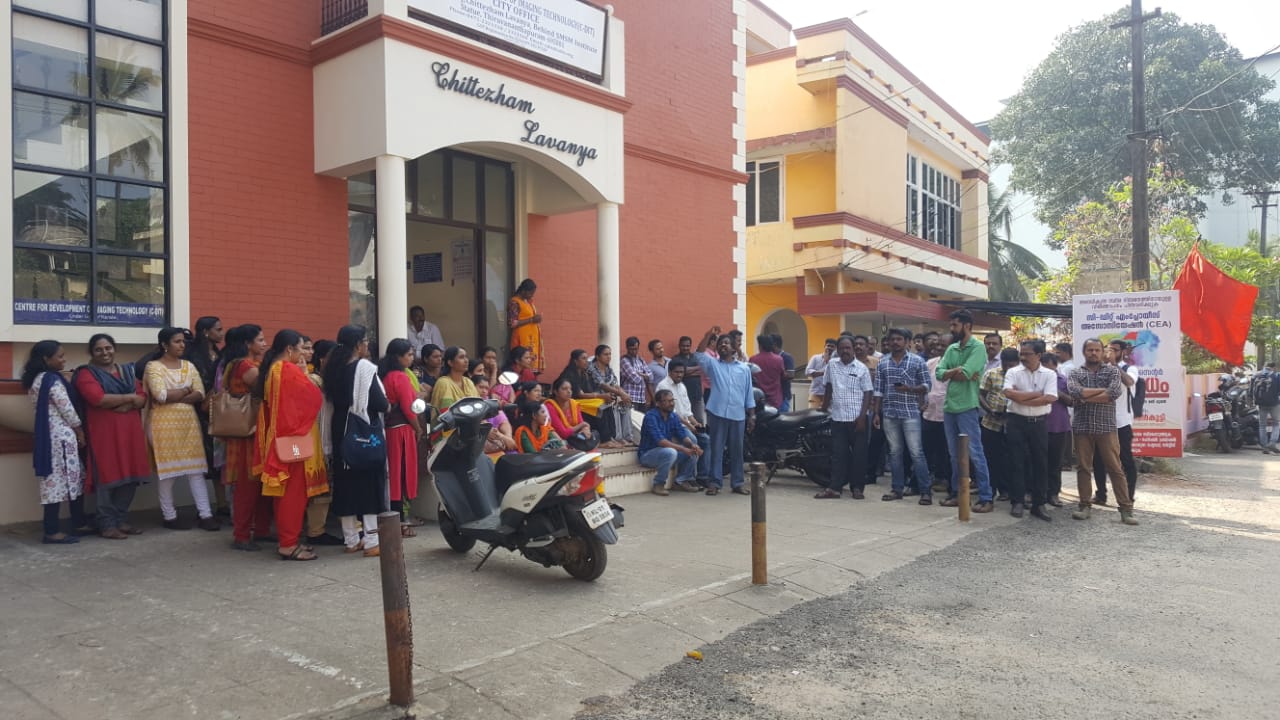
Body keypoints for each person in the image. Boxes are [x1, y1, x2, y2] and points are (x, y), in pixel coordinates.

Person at [253, 330, 326, 560]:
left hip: (281, 437)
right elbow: (312, 397)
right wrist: (305, 374)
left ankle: (289, 539)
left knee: (285, 493)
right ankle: (288, 544)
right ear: (289, 349)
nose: (303, 353)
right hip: (292, 439)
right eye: (300, 348)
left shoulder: (274, 368)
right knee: (293, 494)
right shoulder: (287, 369)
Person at [72, 335, 149, 539]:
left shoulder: (126, 372)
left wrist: (126, 402)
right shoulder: (86, 374)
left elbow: (142, 398)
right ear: (91, 353)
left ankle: (120, 520)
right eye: (99, 349)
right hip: (103, 434)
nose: (105, 353)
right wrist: (128, 398)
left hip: (130, 432)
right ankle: (106, 524)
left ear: (114, 349)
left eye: (108, 348)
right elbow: (98, 399)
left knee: (130, 475)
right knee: (107, 475)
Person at [143, 328, 220, 531]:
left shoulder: (188, 365)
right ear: (164, 345)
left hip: (188, 425)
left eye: (183, 341)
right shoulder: (153, 367)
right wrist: (187, 390)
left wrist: (175, 396)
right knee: (168, 473)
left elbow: (200, 393)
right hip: (162, 426)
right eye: (177, 341)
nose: (182, 345)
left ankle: (205, 515)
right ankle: (169, 516)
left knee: (196, 471)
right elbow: (160, 395)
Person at [324, 326, 390, 557]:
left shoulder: (332, 368)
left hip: (340, 430)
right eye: (365, 341)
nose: (367, 345)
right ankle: (371, 541)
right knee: (369, 483)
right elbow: (379, 402)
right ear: (357, 345)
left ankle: (351, 539)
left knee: (345, 484)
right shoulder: (364, 368)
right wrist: (388, 405)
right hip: (362, 430)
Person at [1066, 339, 1138, 525]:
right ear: (1084, 352)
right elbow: (1074, 392)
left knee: (1115, 467)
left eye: (1097, 350)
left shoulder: (1112, 371)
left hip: (1106, 427)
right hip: (1082, 427)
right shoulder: (1075, 372)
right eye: (1090, 350)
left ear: (1102, 352)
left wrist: (1085, 396)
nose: (1093, 353)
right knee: (1083, 467)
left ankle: (1126, 509)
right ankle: (1084, 505)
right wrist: (1100, 393)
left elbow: (1113, 393)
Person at [23, 341, 87, 544]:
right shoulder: (52, 380)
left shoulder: (36, 379)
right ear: (46, 359)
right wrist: (79, 430)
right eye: (60, 356)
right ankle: (53, 531)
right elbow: (66, 408)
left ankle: (74, 523)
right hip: (60, 439)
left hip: (47, 437)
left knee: (56, 481)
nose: (64, 360)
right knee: (60, 483)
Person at [220, 324, 274, 550]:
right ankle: (241, 535)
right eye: (260, 340)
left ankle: (261, 530)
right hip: (247, 434)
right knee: (247, 487)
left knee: (261, 484)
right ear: (247, 344)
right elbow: (267, 387)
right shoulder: (245, 366)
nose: (264, 344)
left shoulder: (249, 364)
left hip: (256, 431)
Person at [935, 310, 994, 512]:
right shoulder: (952, 348)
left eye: (955, 325)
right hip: (949, 407)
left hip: (968, 407)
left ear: (967, 325)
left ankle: (986, 497)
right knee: (954, 455)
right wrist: (956, 371)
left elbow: (966, 374)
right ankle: (958, 495)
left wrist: (955, 372)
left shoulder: (978, 347)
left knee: (975, 453)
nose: (951, 329)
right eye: (951, 325)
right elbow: (939, 374)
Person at [872, 329, 933, 504]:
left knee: (916, 452)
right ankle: (896, 489)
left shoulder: (917, 361)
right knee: (894, 453)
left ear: (907, 342)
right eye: (892, 339)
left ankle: (925, 491)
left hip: (910, 412)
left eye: (899, 339)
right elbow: (878, 390)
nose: (895, 342)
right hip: (889, 413)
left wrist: (910, 389)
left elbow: (927, 385)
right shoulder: (883, 362)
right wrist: (876, 413)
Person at [695, 326, 756, 496]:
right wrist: (708, 334)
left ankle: (738, 483)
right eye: (720, 343)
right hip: (717, 413)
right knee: (717, 448)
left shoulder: (744, 369)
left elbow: (748, 393)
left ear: (733, 348)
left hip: (738, 414)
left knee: (737, 450)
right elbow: (698, 354)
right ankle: (715, 483)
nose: (723, 345)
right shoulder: (713, 365)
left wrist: (752, 415)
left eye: (727, 343)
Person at [1002, 340, 1057, 521]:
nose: (1023, 357)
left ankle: (1038, 504)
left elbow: (1049, 398)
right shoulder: (1013, 372)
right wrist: (1037, 394)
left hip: (1039, 423)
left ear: (1039, 355)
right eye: (1022, 353)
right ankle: (1017, 501)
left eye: (1027, 354)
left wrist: (1021, 397)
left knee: (1040, 462)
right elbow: (1008, 393)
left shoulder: (1049, 374)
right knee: (1016, 461)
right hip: (1016, 421)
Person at [185, 316, 228, 516]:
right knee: (203, 460)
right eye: (217, 329)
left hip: (217, 412)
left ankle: (222, 504)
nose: (221, 333)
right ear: (205, 332)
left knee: (218, 458)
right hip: (197, 412)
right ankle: (204, 508)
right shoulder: (193, 355)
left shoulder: (218, 354)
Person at [380, 339, 424, 537]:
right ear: (399, 357)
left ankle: (396, 520)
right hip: (402, 431)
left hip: (389, 430)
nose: (412, 358)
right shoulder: (400, 377)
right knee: (401, 475)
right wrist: (418, 428)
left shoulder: (385, 375)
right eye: (409, 354)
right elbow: (408, 407)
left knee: (394, 475)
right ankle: (401, 522)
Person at [1091, 339, 1140, 504]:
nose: (1110, 352)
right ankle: (1101, 494)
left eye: (1115, 350)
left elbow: (1129, 382)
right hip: (1101, 422)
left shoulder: (1129, 368)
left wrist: (1114, 365)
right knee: (1098, 460)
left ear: (1123, 352)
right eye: (1109, 349)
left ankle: (1128, 496)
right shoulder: (1100, 369)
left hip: (1121, 423)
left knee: (1126, 460)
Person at [656, 360, 712, 483]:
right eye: (677, 372)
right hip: (672, 425)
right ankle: (686, 477)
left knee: (706, 440)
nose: (680, 375)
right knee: (693, 440)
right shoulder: (663, 386)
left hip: (686, 424)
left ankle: (703, 476)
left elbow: (687, 411)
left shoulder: (682, 386)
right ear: (670, 372)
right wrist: (689, 425)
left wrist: (695, 423)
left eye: (682, 372)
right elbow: (672, 413)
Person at [639, 389, 702, 495]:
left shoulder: (673, 416)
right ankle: (658, 484)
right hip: (648, 454)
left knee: (692, 452)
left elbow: (682, 435)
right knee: (671, 452)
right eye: (667, 401)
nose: (671, 403)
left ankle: (681, 481)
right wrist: (683, 449)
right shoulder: (650, 417)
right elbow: (661, 442)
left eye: (672, 400)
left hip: (665, 452)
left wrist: (692, 445)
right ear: (658, 403)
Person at [980, 348, 1018, 503]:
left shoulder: (1020, 375)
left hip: (1013, 423)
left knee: (1010, 459)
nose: (1008, 368)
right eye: (1005, 364)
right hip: (991, 422)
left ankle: (1007, 490)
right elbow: (980, 394)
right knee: (991, 458)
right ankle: (990, 489)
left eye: (1011, 365)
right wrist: (989, 409)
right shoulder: (991, 373)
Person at [1041, 353, 1071, 507]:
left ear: (1055, 366)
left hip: (1058, 426)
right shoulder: (1036, 379)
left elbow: (1072, 401)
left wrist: (1056, 392)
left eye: (1050, 369)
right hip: (1038, 426)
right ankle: (1037, 493)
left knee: (1055, 462)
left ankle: (1053, 493)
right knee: (1038, 461)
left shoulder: (1063, 380)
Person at [922, 335, 951, 493]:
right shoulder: (930, 363)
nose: (939, 348)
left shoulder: (956, 365)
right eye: (938, 345)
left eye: (943, 345)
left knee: (945, 450)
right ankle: (928, 478)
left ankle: (944, 479)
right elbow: (924, 385)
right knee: (927, 448)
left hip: (948, 414)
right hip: (929, 413)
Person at [588, 345, 635, 444]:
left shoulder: (608, 369)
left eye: (610, 354)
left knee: (626, 404)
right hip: (597, 398)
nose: (609, 357)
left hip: (610, 396)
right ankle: (617, 437)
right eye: (605, 354)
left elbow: (615, 384)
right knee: (614, 403)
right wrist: (620, 394)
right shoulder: (592, 368)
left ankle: (627, 437)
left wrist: (624, 395)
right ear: (597, 356)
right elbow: (602, 385)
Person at [546, 377, 598, 451]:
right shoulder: (550, 406)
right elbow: (563, 433)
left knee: (591, 437)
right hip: (560, 440)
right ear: (555, 392)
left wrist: (586, 429)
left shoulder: (573, 404)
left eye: (570, 389)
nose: (569, 391)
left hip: (574, 437)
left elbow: (581, 423)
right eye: (564, 389)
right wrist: (583, 425)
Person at [473, 374, 519, 453]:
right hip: (481, 443)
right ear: (472, 387)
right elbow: (485, 426)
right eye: (481, 387)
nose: (484, 391)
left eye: (486, 388)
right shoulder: (471, 404)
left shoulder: (490, 402)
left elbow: (504, 422)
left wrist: (508, 437)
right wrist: (503, 438)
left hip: (497, 440)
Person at [508, 278, 544, 374]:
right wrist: (531, 320)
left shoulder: (528, 302)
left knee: (532, 368)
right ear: (523, 291)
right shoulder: (514, 302)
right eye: (530, 293)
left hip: (531, 339)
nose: (532, 295)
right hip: (521, 338)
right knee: (523, 366)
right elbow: (512, 323)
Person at [431, 347, 479, 412]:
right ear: (450, 362)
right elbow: (446, 412)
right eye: (461, 357)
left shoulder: (468, 382)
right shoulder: (443, 383)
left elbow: (478, 405)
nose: (466, 360)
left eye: (466, 357)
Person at [673, 336, 707, 424]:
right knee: (686, 421)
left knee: (699, 420)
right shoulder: (675, 359)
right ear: (679, 346)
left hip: (697, 395)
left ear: (690, 346)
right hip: (683, 396)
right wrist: (696, 368)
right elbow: (682, 372)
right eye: (683, 346)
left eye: (687, 346)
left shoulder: (695, 357)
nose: (685, 348)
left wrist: (687, 371)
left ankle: (699, 433)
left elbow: (702, 370)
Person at [749, 334, 787, 410]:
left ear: (760, 346)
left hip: (759, 399)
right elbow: (783, 375)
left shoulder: (753, 359)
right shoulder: (778, 359)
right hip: (775, 399)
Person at [620, 336, 654, 411]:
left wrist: (638, 373)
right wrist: (644, 375)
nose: (634, 351)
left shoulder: (641, 360)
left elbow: (651, 377)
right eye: (631, 349)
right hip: (629, 398)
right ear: (627, 348)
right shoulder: (624, 360)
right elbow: (635, 379)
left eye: (636, 349)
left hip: (642, 399)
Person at [1253, 362, 1280, 453]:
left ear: (1264, 366)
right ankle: (1272, 443)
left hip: (1261, 404)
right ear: (1274, 367)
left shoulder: (1257, 375)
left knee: (1262, 425)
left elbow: (1251, 389)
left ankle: (1264, 447)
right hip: (1274, 403)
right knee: (1276, 424)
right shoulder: (1277, 376)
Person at [806, 338, 836, 410]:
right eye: (828, 346)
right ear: (824, 346)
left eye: (832, 346)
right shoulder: (815, 358)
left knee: (828, 414)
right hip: (815, 392)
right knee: (813, 413)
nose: (829, 348)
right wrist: (823, 372)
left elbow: (833, 374)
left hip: (830, 395)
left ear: (835, 348)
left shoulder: (836, 361)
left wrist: (827, 361)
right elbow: (807, 372)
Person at [772, 334, 795, 412]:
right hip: (773, 396)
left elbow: (791, 375)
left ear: (774, 344)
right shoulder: (771, 357)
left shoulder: (786, 357)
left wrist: (776, 374)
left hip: (783, 396)